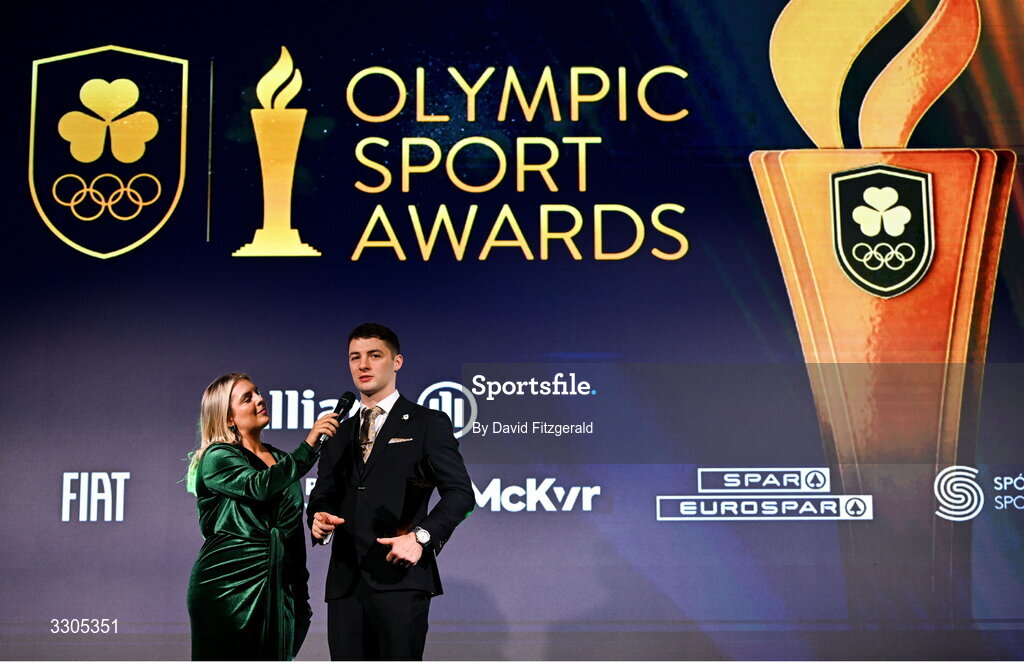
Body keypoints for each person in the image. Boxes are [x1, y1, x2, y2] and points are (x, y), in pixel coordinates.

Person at [307, 323, 474, 661]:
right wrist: (318, 518)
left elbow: (461, 494)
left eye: (374, 355)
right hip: (345, 584)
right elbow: (323, 495)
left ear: (396, 362)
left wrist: (421, 537)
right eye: (355, 357)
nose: (363, 365)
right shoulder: (338, 432)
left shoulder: (427, 423)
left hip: (401, 578)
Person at [186, 372, 340, 661]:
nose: (260, 399)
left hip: (281, 588)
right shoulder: (217, 457)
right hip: (228, 588)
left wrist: (300, 596)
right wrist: (309, 447)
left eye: (257, 392)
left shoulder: (282, 461)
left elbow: (292, 530)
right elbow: (258, 487)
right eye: (247, 398)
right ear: (228, 418)